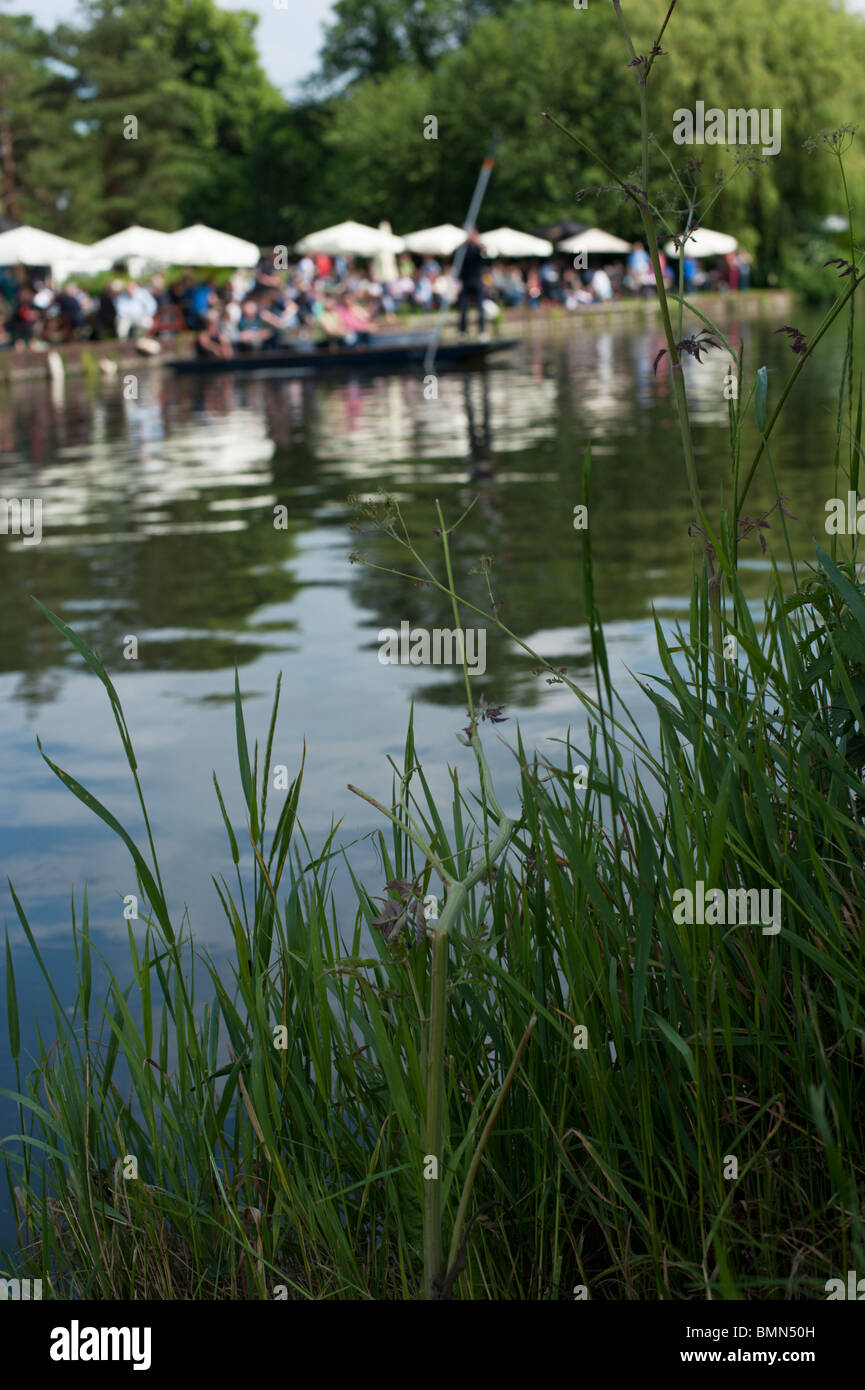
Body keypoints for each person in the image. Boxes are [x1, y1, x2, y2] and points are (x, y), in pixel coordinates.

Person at [457, 227, 487, 336]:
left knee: (480, 308)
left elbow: (485, 256)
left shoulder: (479, 249)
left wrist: (478, 243)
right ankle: (462, 331)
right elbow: (458, 264)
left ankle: (482, 331)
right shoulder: (463, 249)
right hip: (466, 282)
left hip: (477, 281)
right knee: (463, 308)